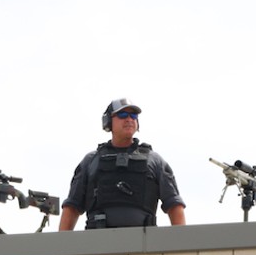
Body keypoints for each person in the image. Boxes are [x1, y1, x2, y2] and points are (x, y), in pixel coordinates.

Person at [59, 98, 187, 230]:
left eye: (133, 115)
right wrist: (62, 247)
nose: (129, 119)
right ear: (108, 121)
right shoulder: (91, 161)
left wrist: (181, 244)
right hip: (98, 244)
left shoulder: (154, 161)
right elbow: (72, 207)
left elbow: (174, 205)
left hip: (144, 244)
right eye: (122, 115)